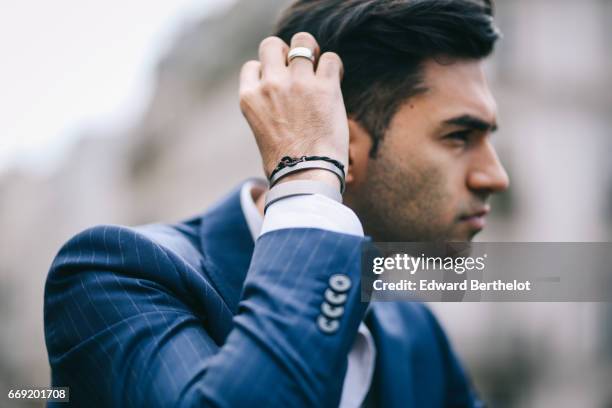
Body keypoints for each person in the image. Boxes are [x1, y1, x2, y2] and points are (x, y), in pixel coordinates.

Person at [44, 0, 509, 406]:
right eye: (459, 136)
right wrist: (307, 175)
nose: (495, 176)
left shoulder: (416, 331)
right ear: (341, 144)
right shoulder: (116, 276)